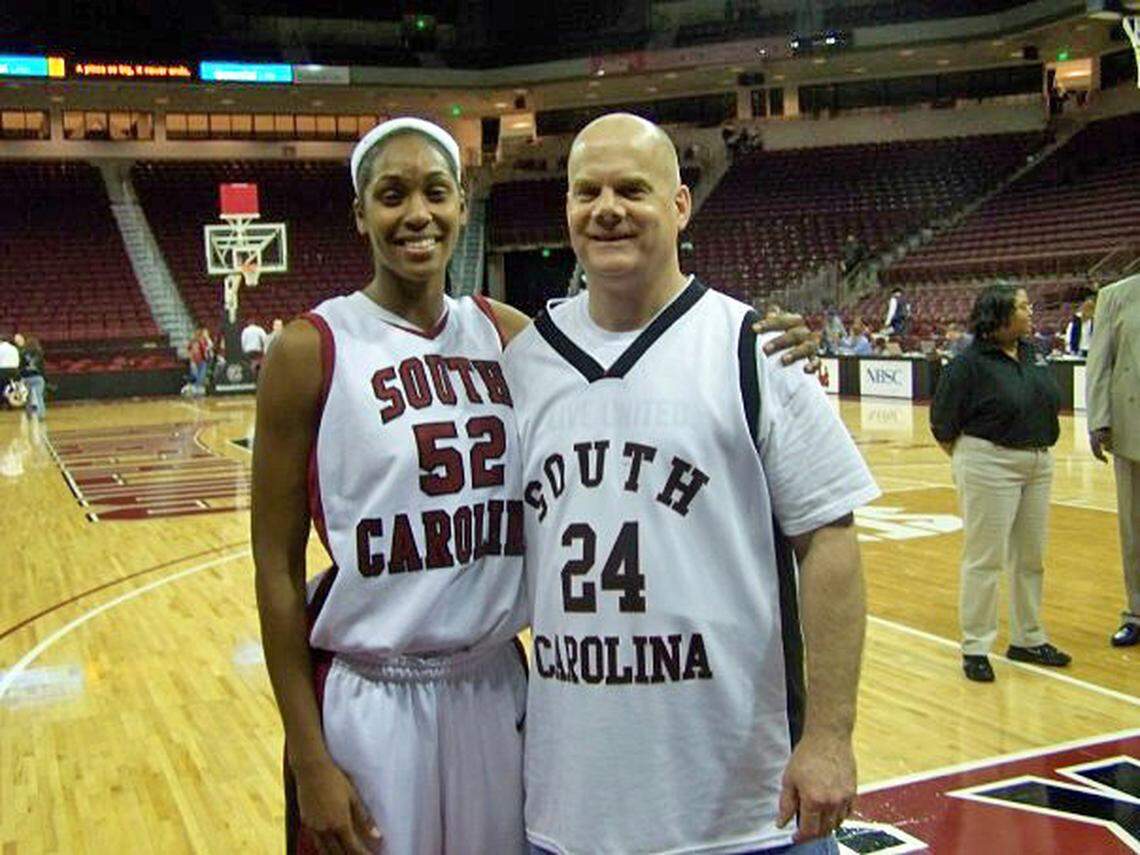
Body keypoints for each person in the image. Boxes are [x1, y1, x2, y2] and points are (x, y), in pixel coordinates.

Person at [253, 116, 818, 855]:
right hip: (372, 689)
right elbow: (274, 566)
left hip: (495, 686)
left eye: (435, 192)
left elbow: (638, 340)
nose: (416, 215)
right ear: (361, 213)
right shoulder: (309, 348)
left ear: (463, 205)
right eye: (391, 196)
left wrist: (770, 339)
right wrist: (306, 751)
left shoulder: (512, 335)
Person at [503, 113, 879, 854]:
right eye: (588, 191)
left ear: (680, 205)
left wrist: (830, 735)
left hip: (746, 805)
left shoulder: (755, 348)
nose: (607, 208)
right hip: (572, 804)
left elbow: (830, 542)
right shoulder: (524, 362)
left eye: (632, 189)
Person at [930, 284, 1071, 682]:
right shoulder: (967, 364)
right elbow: (942, 424)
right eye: (1022, 307)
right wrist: (974, 462)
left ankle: (1028, 638)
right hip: (988, 461)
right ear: (999, 316)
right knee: (984, 558)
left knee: (1031, 558)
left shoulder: (1032, 353)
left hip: (1039, 461)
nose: (1030, 313)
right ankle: (976, 645)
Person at [1085, 273, 1140, 647]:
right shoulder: (1117, 296)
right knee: (1134, 527)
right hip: (1133, 428)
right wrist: (1098, 421)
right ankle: (1136, 612)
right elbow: (1099, 363)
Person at [16, 334, 46, 420]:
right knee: (39, 396)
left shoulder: (22, 353)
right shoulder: (40, 352)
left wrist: (20, 376)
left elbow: (20, 366)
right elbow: (42, 366)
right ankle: (41, 415)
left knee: (28, 397)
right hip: (37, 376)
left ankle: (29, 415)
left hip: (26, 377)